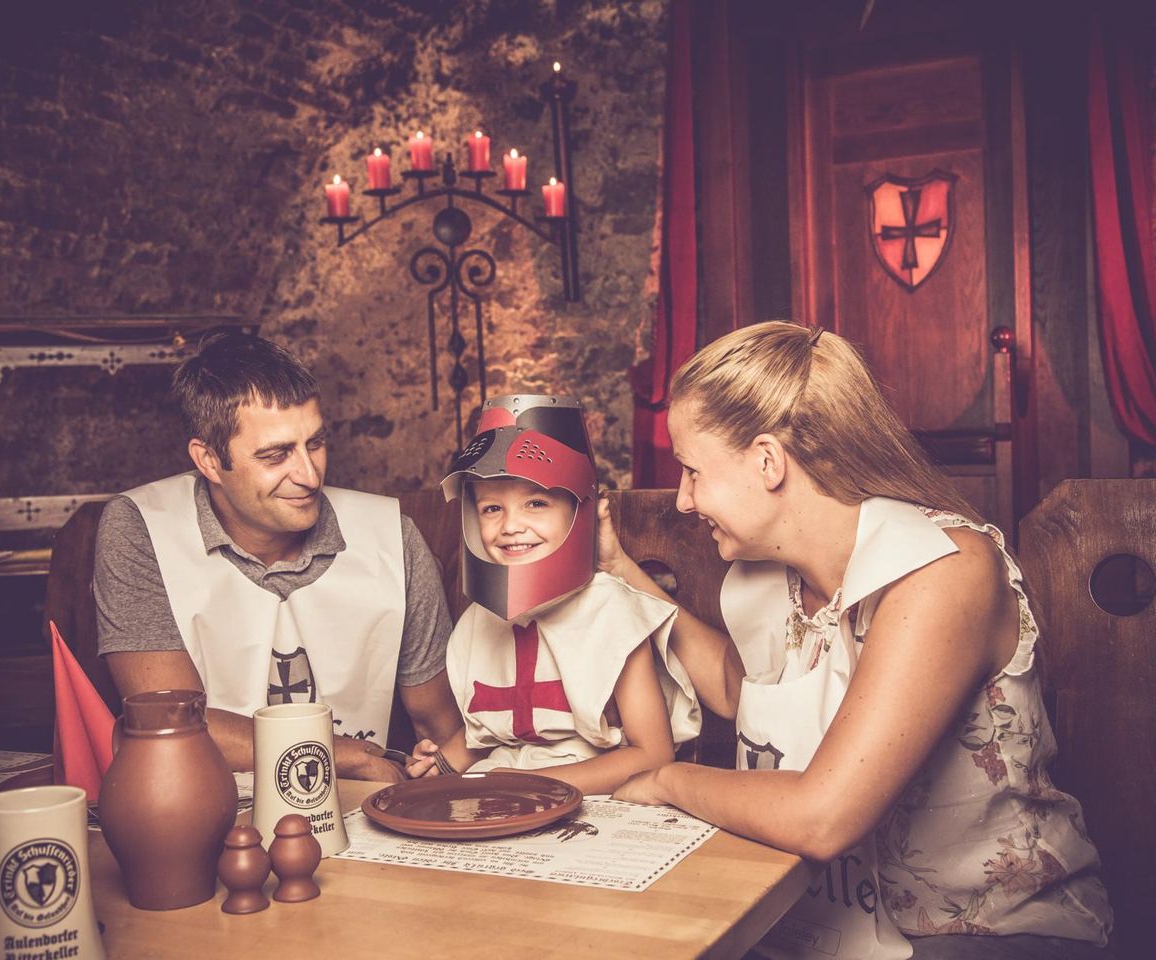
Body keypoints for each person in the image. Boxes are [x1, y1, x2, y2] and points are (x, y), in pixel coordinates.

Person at [603, 322, 1112, 959]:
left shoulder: (942, 570)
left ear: (767, 461)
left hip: (983, 934)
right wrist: (625, 576)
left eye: (692, 471)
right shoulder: (777, 578)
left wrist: (667, 780)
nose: (682, 501)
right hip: (829, 923)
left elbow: (823, 818)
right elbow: (740, 690)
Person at [93, 333, 461, 781]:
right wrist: (346, 754)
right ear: (209, 460)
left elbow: (439, 727)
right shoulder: (140, 528)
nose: (308, 475)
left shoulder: (391, 535)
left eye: (316, 443)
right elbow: (170, 720)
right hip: (208, 810)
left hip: (362, 807)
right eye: (275, 455)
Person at [406, 395, 700, 795]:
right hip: (501, 790)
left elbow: (652, 754)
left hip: (593, 793)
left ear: (582, 509)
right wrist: (439, 764)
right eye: (492, 509)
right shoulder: (482, 616)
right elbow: (490, 734)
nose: (511, 526)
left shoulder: (612, 612)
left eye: (536, 502)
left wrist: (534, 785)